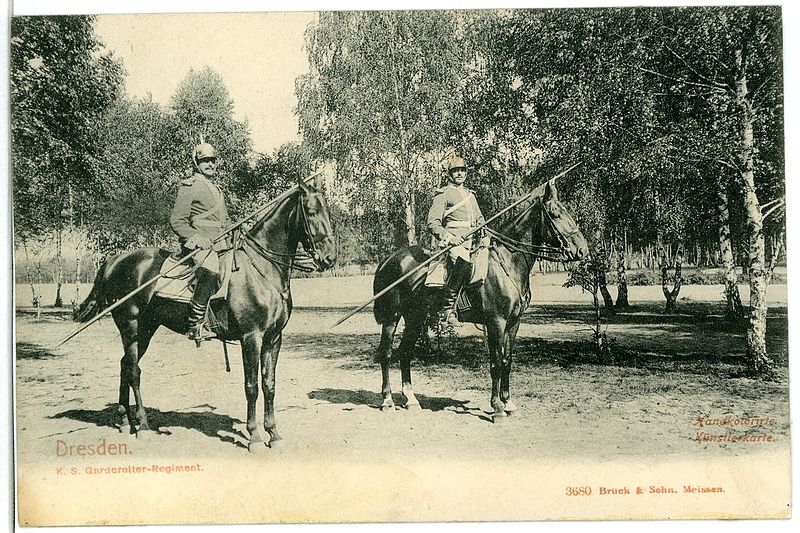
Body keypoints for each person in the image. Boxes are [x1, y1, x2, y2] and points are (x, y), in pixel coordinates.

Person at [170, 142, 230, 342]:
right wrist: (197, 239)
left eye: (212, 160)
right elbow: (177, 220)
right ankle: (196, 324)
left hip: (221, 244)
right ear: (197, 163)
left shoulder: (218, 189)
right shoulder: (190, 186)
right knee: (211, 267)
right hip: (199, 246)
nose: (210, 164)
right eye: (205, 160)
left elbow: (225, 220)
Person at [427, 155, 485, 326]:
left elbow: (480, 218)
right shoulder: (443, 194)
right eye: (455, 170)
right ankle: (447, 309)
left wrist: (484, 229)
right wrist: (450, 238)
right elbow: (433, 223)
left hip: (473, 242)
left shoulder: (470, 195)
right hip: (453, 243)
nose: (459, 173)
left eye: (462, 170)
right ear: (449, 174)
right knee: (463, 261)